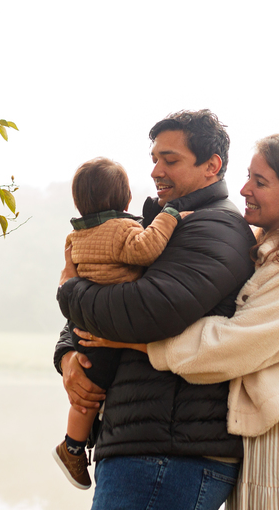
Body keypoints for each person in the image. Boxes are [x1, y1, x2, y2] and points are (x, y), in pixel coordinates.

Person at [77, 134, 279, 510]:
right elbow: (123, 283)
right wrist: (72, 345)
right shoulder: (268, 254)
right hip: (266, 433)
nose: (245, 188)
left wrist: (133, 343)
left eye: (260, 182)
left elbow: (231, 345)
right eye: (249, 177)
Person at [54, 110, 257, 510]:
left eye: (171, 160)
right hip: (144, 447)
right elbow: (110, 292)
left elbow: (148, 311)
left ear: (211, 166)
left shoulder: (216, 228)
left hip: (168, 453)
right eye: (153, 159)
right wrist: (69, 356)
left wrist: (69, 288)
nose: (155, 171)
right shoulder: (158, 224)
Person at [51, 156, 191, 489]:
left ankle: (73, 442)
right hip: (108, 327)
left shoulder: (75, 237)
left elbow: (69, 283)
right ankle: (71, 446)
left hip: (85, 322)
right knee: (90, 390)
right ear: (125, 198)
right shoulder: (123, 229)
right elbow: (145, 251)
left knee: (87, 384)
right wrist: (168, 217)